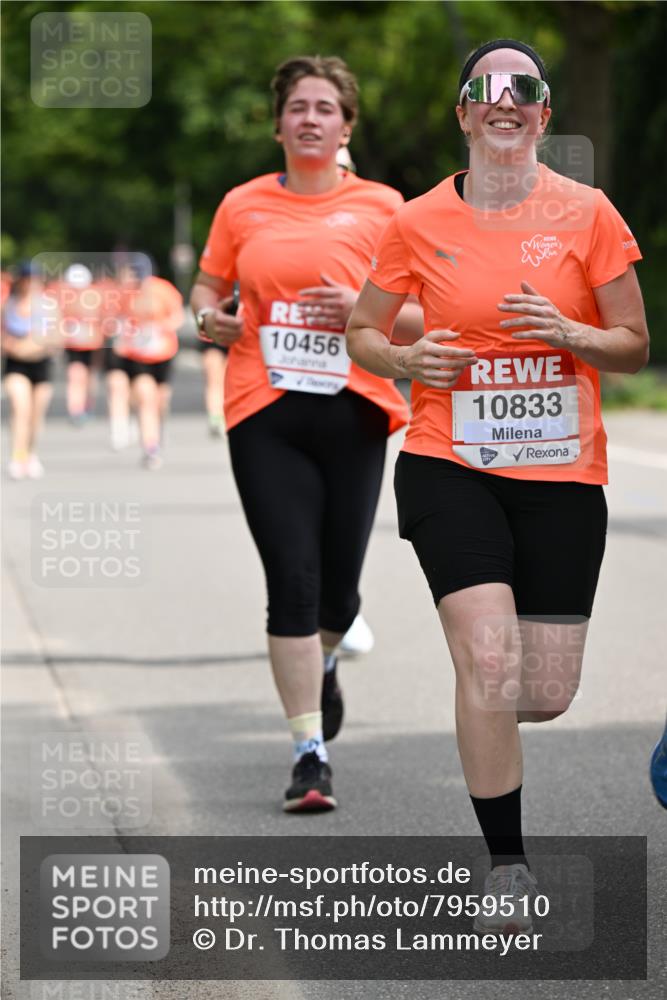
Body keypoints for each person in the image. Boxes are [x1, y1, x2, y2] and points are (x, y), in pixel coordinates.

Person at [347, 38, 649, 929]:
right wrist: (406, 360)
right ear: (464, 113)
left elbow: (632, 345)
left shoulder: (587, 212)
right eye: (487, 87)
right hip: (449, 462)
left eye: (523, 87)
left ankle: (488, 716)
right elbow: (363, 332)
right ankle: (506, 865)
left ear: (543, 114)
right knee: (487, 658)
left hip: (561, 474)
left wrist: (569, 333)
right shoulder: (415, 222)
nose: (504, 99)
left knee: (541, 693)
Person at [191, 55, 420, 812]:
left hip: (355, 407)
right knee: (290, 580)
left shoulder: (386, 207)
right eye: (298, 107)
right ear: (278, 124)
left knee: (338, 594)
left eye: (325, 108)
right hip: (263, 407)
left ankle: (325, 662)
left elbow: (427, 311)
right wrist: (209, 320)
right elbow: (207, 287)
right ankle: (308, 754)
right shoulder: (241, 204)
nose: (310, 118)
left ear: (346, 126)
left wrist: (361, 308)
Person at [106, 263, 184, 468]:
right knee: (146, 397)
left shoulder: (164, 289)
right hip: (138, 355)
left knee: (161, 401)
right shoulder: (126, 292)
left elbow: (177, 316)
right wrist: (123, 337)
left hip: (163, 352)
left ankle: (159, 429)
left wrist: (161, 327)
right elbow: (117, 319)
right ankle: (150, 448)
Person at [2, 263, 58, 479]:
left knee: (35, 415)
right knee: (20, 408)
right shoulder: (8, 305)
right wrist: (13, 346)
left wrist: (34, 345)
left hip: (41, 364)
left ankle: (31, 454)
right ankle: (17, 456)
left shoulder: (48, 306)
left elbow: (55, 337)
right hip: (16, 364)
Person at [59, 264, 105, 425]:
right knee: (75, 374)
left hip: (93, 344)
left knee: (90, 376)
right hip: (73, 344)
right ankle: (75, 409)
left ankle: (87, 405)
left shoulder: (97, 295)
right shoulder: (64, 297)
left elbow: (105, 318)